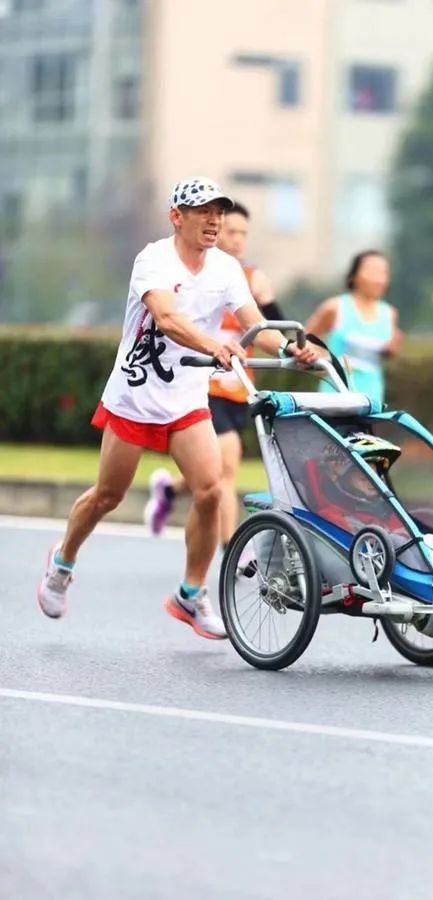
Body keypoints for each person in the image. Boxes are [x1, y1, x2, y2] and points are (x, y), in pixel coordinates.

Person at [37, 176, 319, 639]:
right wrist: (214, 345)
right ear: (177, 217)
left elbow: (255, 326)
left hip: (186, 399)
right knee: (108, 495)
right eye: (204, 212)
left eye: (219, 212)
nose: (214, 221)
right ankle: (62, 562)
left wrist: (292, 350)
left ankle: (190, 594)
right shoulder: (153, 259)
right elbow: (167, 319)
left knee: (210, 490)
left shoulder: (226, 269)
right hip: (135, 395)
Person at [144, 201, 285, 545]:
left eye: (243, 233)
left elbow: (272, 331)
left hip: (238, 386)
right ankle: (231, 550)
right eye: (230, 231)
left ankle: (169, 491)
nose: (236, 239)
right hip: (202, 385)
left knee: (213, 473)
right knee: (228, 466)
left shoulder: (249, 279)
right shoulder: (188, 274)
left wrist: (268, 302)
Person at [304, 250, 403, 406]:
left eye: (384, 273)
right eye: (373, 272)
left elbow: (386, 354)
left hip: (371, 398)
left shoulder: (390, 314)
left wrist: (390, 350)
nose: (380, 279)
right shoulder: (335, 308)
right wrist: (318, 360)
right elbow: (305, 339)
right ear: (354, 275)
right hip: (334, 397)